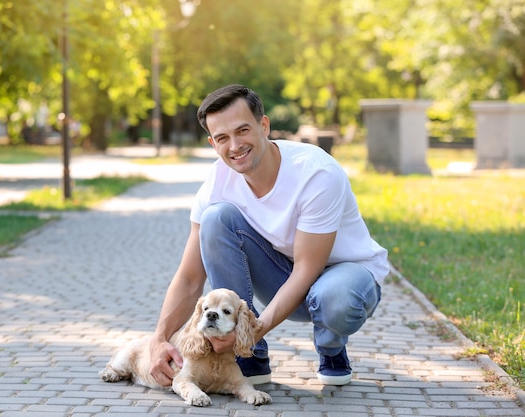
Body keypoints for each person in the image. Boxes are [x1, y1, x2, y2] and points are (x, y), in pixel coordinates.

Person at [149, 84, 389, 387]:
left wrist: (254, 328)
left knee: (334, 298)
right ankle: (250, 355)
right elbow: (189, 277)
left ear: (264, 126)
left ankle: (331, 348)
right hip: (280, 275)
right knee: (216, 218)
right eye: (223, 138)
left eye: (243, 131)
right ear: (213, 143)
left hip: (346, 277)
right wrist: (158, 340)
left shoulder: (316, 174)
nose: (234, 146)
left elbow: (307, 269)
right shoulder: (216, 182)